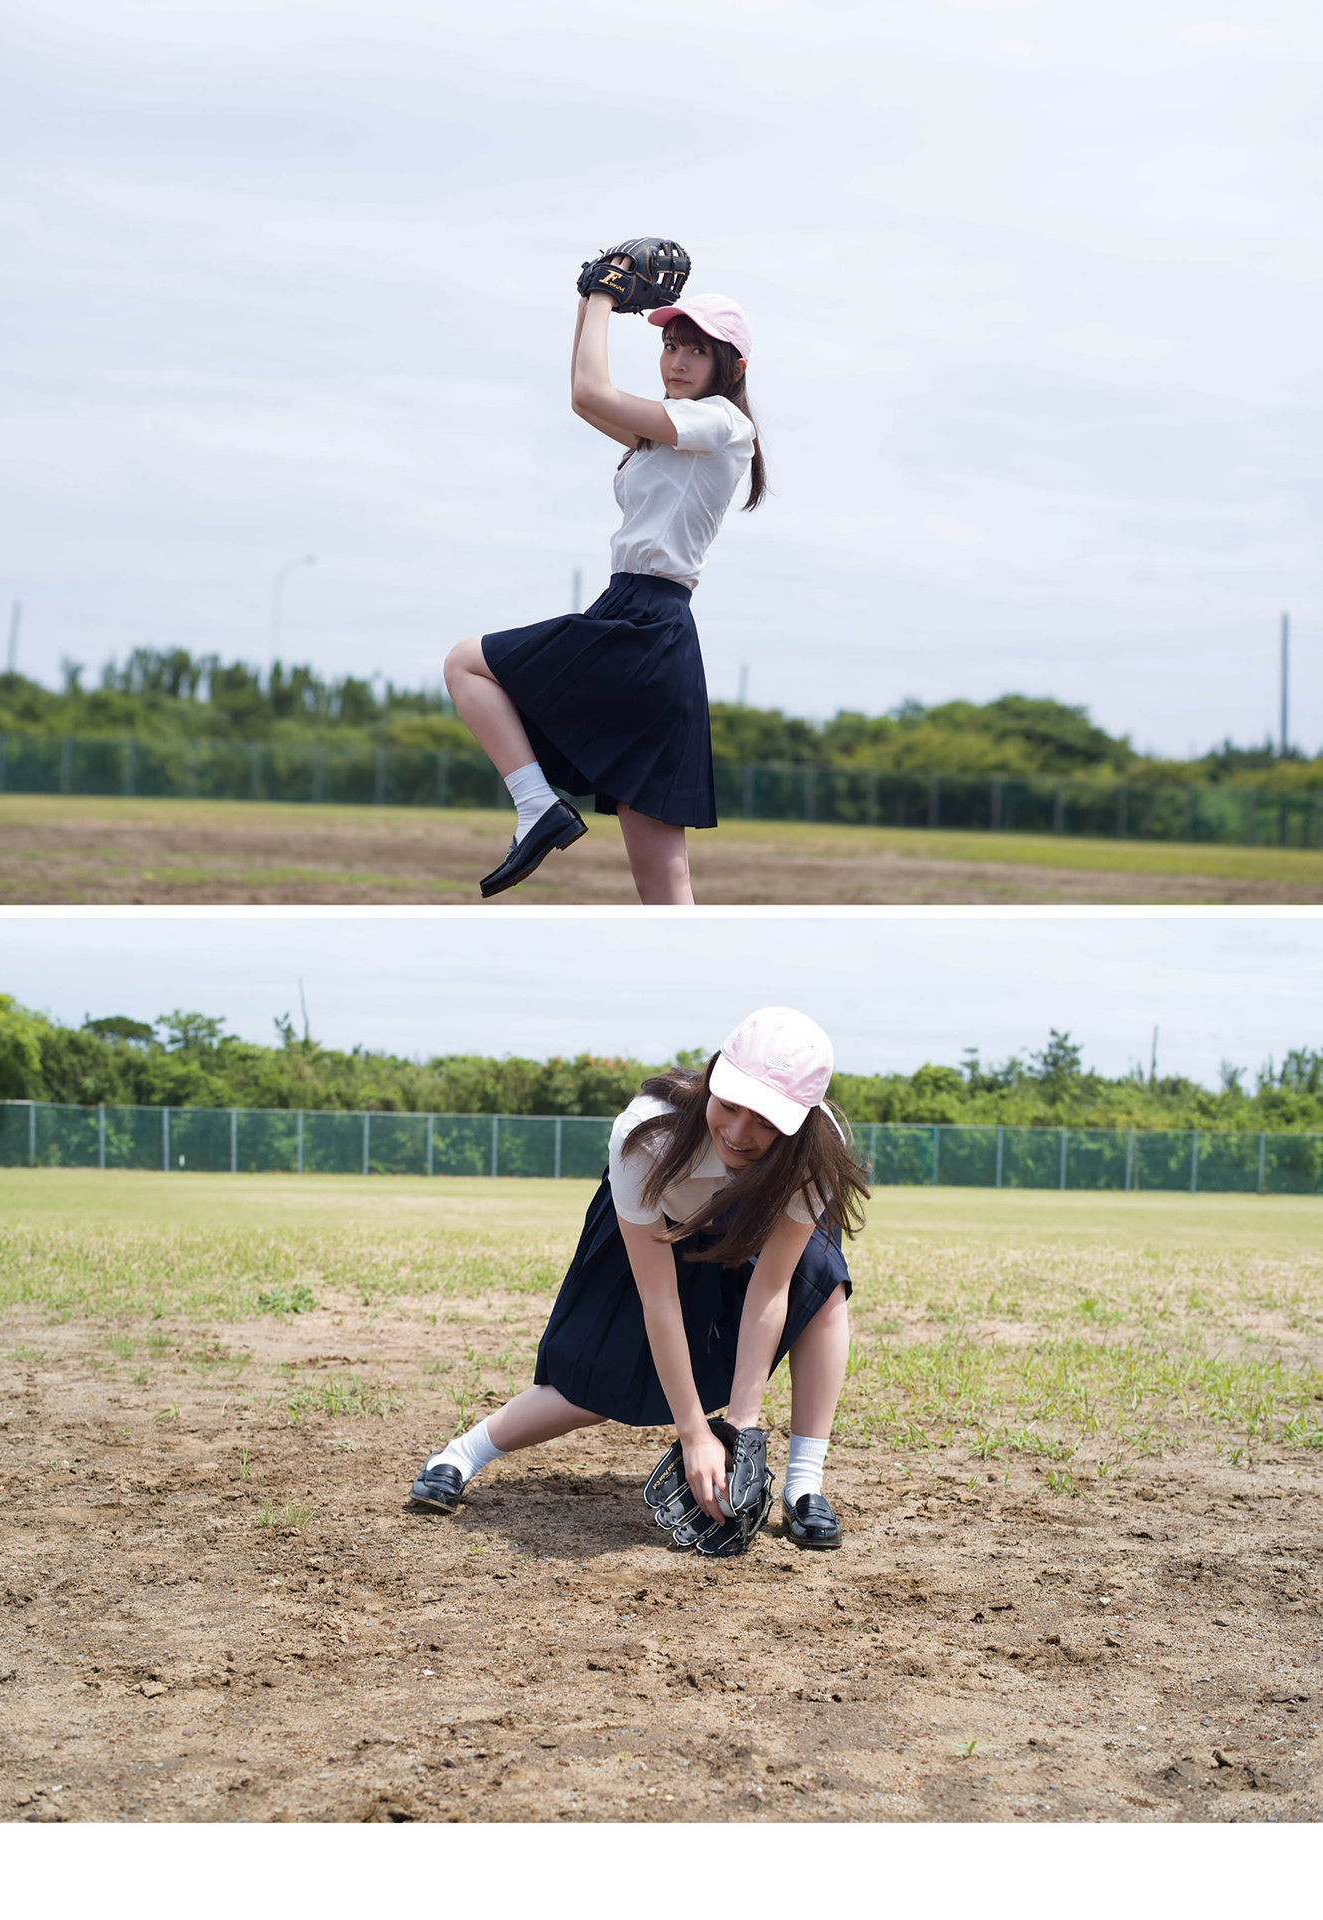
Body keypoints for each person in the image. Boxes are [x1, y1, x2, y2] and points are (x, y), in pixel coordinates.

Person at [407, 1007, 869, 1553]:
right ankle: (459, 1456)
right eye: (730, 1106)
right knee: (601, 1379)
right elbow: (659, 1298)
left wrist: (739, 1431)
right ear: (713, 1078)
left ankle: (804, 1486)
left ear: (799, 1121)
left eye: (767, 1121)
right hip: (661, 1229)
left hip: (754, 1226)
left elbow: (770, 1288)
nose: (740, 1134)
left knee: (820, 1288)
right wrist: (695, 1433)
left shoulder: (814, 1154)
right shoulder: (647, 1133)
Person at [442, 273, 766, 906]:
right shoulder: (673, 432)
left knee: (465, 664)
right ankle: (690, 979)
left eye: (697, 349)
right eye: (671, 345)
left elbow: (593, 389)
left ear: (733, 366)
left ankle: (537, 806)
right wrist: (589, 303)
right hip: (642, 624)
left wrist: (602, 299)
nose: (678, 360)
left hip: (647, 621)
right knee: (662, 878)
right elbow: (583, 399)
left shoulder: (720, 422)